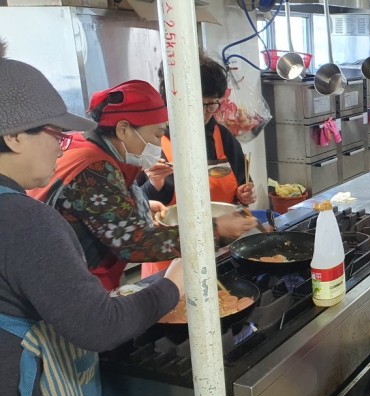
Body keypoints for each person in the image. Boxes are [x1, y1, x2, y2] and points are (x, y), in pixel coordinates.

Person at [0, 40, 184, 396]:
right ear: (13, 136)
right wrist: (173, 285)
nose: (61, 146)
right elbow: (100, 326)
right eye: (54, 134)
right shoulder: (24, 221)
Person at [29, 79, 257, 291]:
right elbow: (133, 242)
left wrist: (141, 206)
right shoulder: (94, 168)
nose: (158, 144)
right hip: (69, 288)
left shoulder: (94, 150)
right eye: (157, 135)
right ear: (123, 129)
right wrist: (214, 230)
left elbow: (94, 209)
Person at [138, 53, 256, 278]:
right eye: (199, 104)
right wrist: (154, 184)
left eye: (212, 104)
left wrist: (244, 194)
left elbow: (242, 185)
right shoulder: (151, 140)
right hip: (169, 264)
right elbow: (135, 206)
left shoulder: (222, 137)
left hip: (221, 256)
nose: (205, 113)